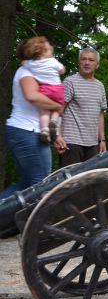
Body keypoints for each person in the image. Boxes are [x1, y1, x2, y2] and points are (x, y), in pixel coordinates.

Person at [2, 37, 63, 200]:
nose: (51, 47)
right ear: (40, 51)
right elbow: (32, 96)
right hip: (27, 132)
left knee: (27, 184)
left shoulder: (36, 71)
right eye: (49, 46)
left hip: (30, 132)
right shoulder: (26, 72)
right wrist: (57, 107)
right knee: (40, 184)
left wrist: (56, 134)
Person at [54, 47, 108, 167]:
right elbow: (59, 110)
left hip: (93, 144)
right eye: (83, 59)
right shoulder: (70, 82)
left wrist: (102, 140)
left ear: (97, 64)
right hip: (71, 142)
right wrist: (57, 136)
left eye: (91, 60)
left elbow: (100, 115)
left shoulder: (100, 86)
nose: (87, 63)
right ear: (79, 62)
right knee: (70, 182)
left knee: (90, 182)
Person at [20, 39, 65, 143]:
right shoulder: (53, 61)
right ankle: (53, 121)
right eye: (50, 50)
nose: (52, 52)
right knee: (57, 108)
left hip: (45, 89)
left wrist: (24, 61)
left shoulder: (31, 64)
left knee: (44, 111)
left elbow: (24, 63)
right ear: (44, 52)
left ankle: (44, 130)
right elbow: (62, 70)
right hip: (57, 89)